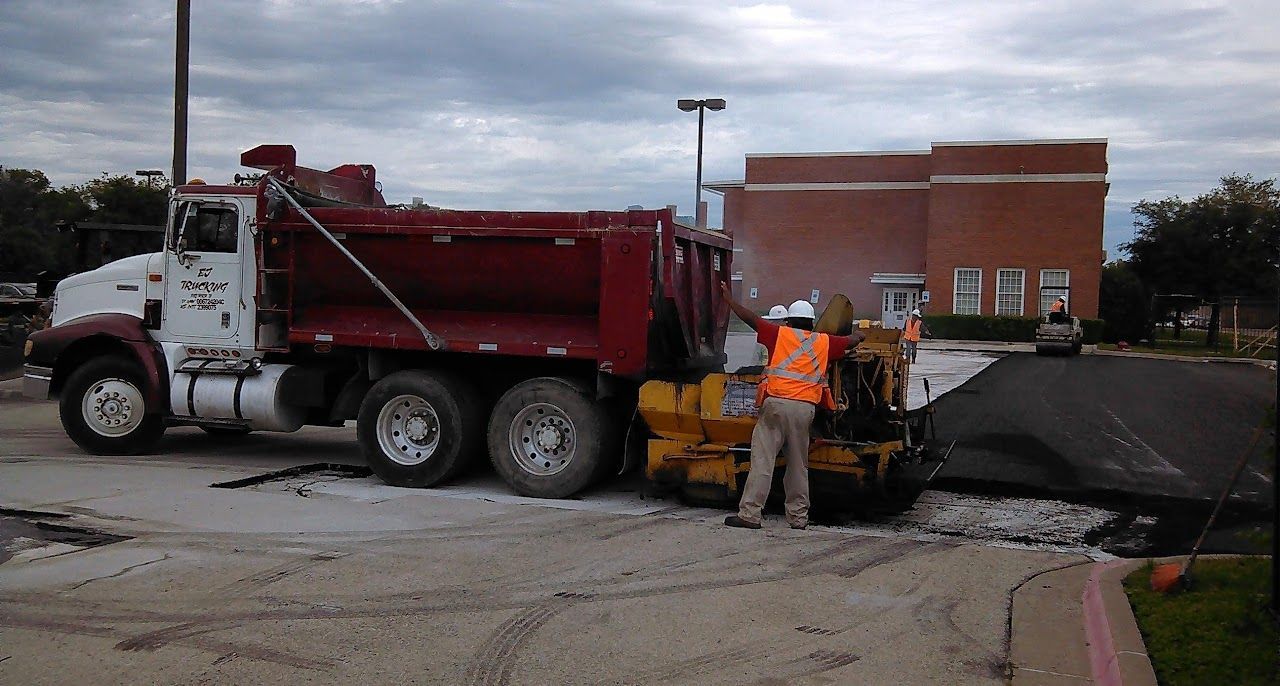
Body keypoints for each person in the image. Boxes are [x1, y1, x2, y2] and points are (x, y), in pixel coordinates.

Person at [719, 282, 865, 530]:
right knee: (798, 465)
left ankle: (750, 514)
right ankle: (798, 518)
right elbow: (850, 341)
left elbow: (751, 319)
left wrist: (730, 301)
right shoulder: (824, 342)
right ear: (811, 323)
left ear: (789, 321)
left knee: (763, 460)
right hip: (804, 410)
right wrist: (861, 334)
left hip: (776, 406)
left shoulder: (779, 335)